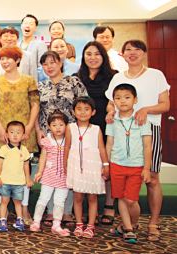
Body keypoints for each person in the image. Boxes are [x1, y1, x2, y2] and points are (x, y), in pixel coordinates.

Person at [105, 40, 170, 242]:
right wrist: (110, 114)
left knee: (152, 178)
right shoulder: (118, 77)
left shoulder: (155, 75)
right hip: (123, 130)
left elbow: (165, 105)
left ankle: (153, 223)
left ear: (144, 53)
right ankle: (130, 223)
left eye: (137, 49)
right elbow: (110, 104)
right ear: (122, 54)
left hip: (149, 130)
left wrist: (145, 109)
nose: (132, 53)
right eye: (128, 50)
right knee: (124, 185)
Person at [36, 51, 88, 226]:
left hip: (70, 134)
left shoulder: (74, 82)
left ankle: (66, 211)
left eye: (52, 62)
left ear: (60, 63)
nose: (49, 67)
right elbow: (36, 111)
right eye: (45, 64)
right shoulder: (41, 86)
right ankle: (51, 212)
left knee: (67, 169)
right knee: (51, 169)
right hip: (48, 135)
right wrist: (38, 131)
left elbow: (83, 106)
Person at [76, 41, 118, 225]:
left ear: (104, 56)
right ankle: (84, 207)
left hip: (106, 127)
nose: (92, 58)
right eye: (88, 54)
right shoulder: (76, 77)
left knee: (106, 165)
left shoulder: (114, 77)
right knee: (84, 165)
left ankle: (109, 205)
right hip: (82, 130)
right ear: (83, 57)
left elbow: (118, 100)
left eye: (96, 54)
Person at [106, 84, 152, 244]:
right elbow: (109, 144)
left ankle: (133, 223)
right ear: (114, 102)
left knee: (131, 200)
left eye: (127, 97)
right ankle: (128, 229)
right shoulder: (111, 120)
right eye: (118, 98)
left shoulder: (142, 119)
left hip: (136, 166)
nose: (122, 101)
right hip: (117, 165)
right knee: (120, 198)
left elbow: (147, 145)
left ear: (135, 100)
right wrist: (107, 164)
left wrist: (147, 168)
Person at [64, 97, 109, 238]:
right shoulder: (70, 127)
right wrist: (65, 164)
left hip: (93, 166)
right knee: (77, 197)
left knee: (92, 198)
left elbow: (101, 148)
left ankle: (90, 225)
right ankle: (79, 223)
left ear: (93, 112)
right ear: (73, 112)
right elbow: (67, 147)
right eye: (79, 109)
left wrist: (106, 164)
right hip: (76, 165)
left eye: (86, 109)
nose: (83, 112)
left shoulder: (96, 129)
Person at [0, 46, 39, 154]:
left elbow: (35, 104)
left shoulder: (29, 81)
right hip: (2, 131)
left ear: (18, 60)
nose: (4, 62)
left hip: (25, 131)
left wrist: (29, 127)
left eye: (8, 58)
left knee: (25, 165)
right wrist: (1, 130)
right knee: (2, 166)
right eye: (2, 59)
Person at [30, 113, 71, 236]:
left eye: (61, 125)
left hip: (64, 176)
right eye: (54, 125)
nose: (58, 128)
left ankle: (56, 224)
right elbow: (43, 157)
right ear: (48, 126)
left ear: (66, 126)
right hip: (48, 175)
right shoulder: (47, 141)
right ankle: (36, 221)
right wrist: (39, 172)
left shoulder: (69, 141)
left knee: (60, 201)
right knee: (43, 198)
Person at [0, 121, 33, 232]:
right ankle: (2, 220)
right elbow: (0, 164)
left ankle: (19, 220)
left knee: (18, 202)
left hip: (19, 182)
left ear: (23, 135)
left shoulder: (24, 150)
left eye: (18, 132)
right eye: (12, 132)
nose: (15, 135)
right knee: (4, 201)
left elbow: (26, 165)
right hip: (5, 181)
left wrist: (28, 179)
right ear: (6, 134)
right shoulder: (4, 149)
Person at [0, 27, 37, 99]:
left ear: (17, 39)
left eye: (12, 36)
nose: (9, 39)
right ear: (0, 39)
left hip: (23, 99)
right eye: (5, 36)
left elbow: (34, 79)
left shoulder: (28, 56)